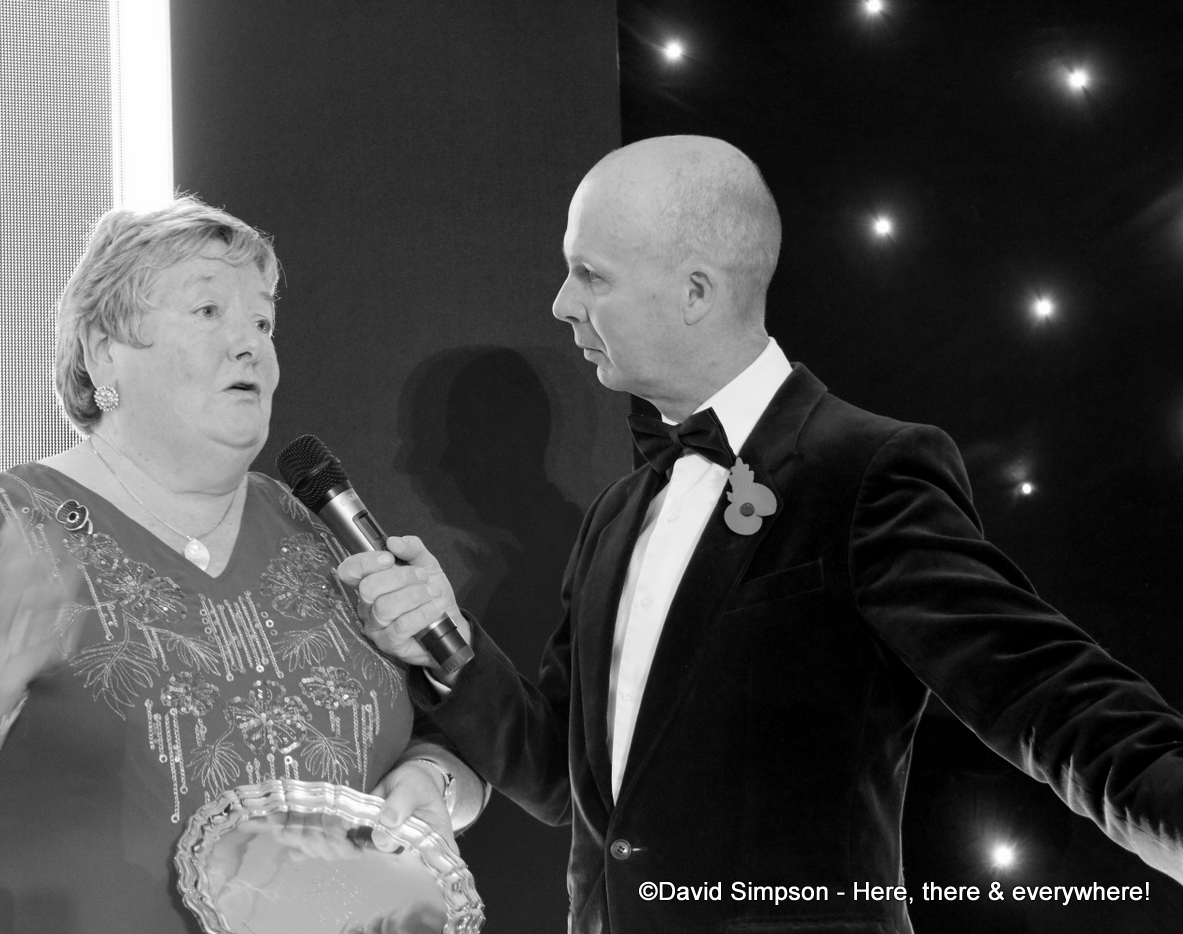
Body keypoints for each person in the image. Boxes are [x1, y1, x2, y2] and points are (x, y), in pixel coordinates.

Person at [340, 136, 1183, 933]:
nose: (563, 305)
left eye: (590, 275)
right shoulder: (618, 515)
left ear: (696, 293)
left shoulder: (864, 471)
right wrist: (445, 644)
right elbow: (565, 779)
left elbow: (1054, 699)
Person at [0, 196, 483, 934]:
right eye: (208, 311)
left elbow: (456, 748)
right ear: (104, 352)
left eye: (263, 322)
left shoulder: (315, 530)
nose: (251, 346)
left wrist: (433, 778)